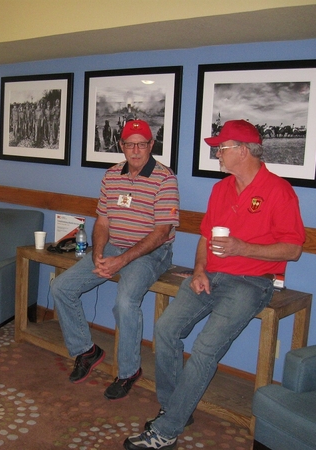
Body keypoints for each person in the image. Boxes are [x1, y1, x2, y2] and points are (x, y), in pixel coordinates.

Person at [124, 119, 306, 449]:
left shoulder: (279, 191)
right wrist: (198, 270)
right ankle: (175, 406)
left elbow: (293, 249)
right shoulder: (220, 189)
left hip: (252, 283)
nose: (217, 154)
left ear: (243, 151)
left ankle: (167, 429)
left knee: (206, 349)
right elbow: (205, 238)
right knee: (165, 329)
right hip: (211, 276)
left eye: (221, 149)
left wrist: (244, 248)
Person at [51, 119, 180, 400]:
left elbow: (161, 233)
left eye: (142, 144)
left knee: (124, 302)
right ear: (121, 146)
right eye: (129, 144)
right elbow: (103, 221)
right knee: (61, 287)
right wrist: (98, 252)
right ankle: (87, 351)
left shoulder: (165, 178)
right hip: (113, 247)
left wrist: (121, 260)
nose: (135, 150)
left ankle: (128, 371)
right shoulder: (111, 175)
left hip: (151, 253)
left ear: (151, 145)